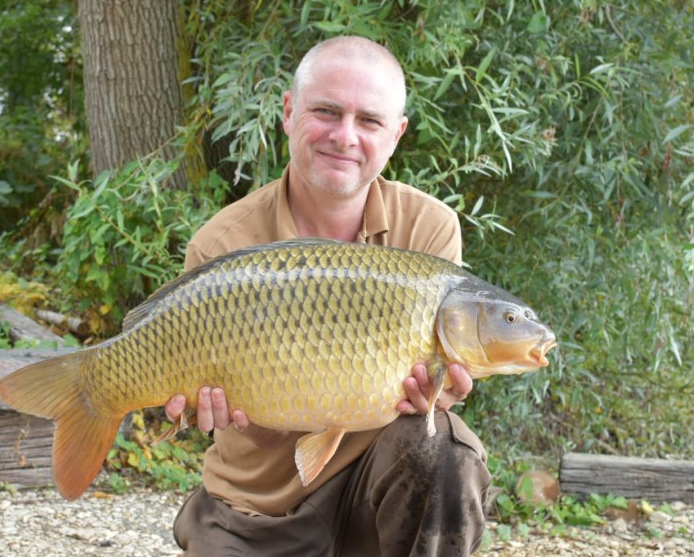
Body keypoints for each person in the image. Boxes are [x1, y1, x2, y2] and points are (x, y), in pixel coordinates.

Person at [166, 35, 492, 557]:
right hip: (258, 511)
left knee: (444, 448)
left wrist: (436, 395)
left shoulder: (430, 228)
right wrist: (230, 410)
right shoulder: (223, 244)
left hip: (375, 497)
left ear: (396, 135)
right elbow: (238, 424)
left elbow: (426, 400)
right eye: (326, 111)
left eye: (369, 121)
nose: (345, 136)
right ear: (289, 112)